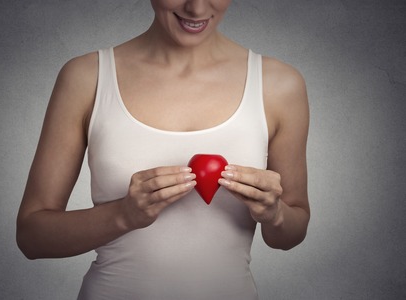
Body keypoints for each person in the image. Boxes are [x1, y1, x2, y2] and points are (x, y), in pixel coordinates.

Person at [16, 0, 310, 299]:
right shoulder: (86, 77)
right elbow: (32, 238)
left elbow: (291, 233)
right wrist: (123, 215)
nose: (196, 8)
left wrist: (274, 214)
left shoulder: (280, 85)